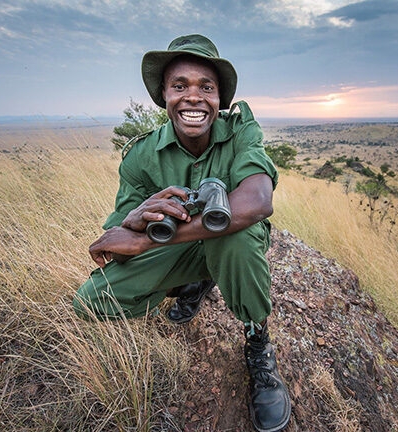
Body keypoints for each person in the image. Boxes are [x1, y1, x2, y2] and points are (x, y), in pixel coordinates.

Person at [72, 34, 291, 432]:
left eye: (206, 87)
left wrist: (151, 239)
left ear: (220, 98)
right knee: (92, 301)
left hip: (230, 242)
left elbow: (258, 200)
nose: (193, 97)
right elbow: (118, 242)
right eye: (180, 86)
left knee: (235, 236)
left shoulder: (240, 130)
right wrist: (137, 220)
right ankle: (194, 279)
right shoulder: (142, 155)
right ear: (164, 96)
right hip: (184, 251)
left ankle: (258, 344)